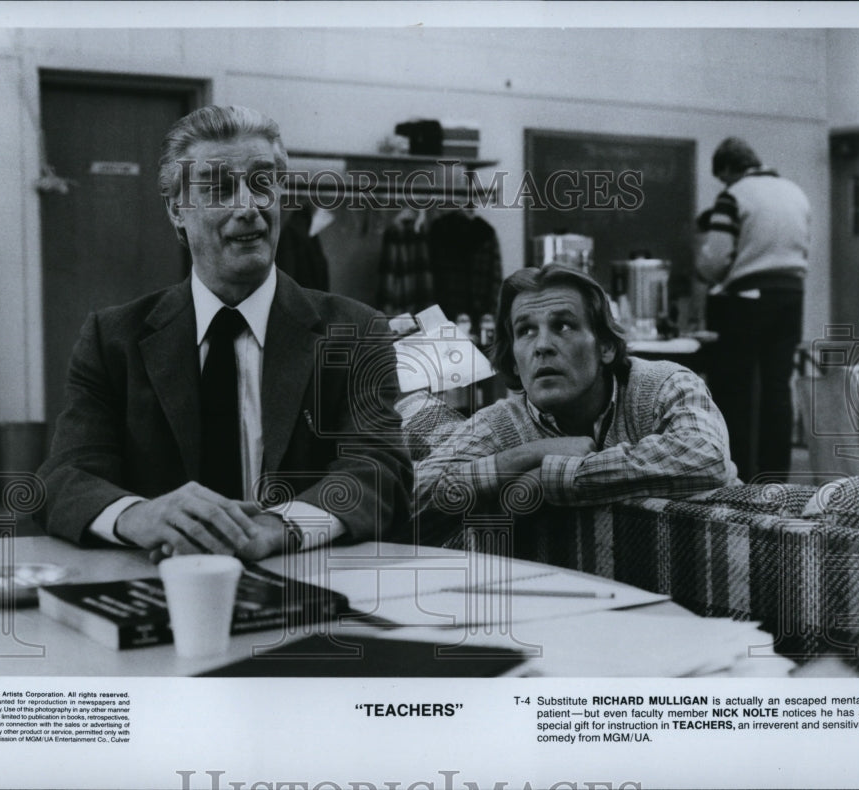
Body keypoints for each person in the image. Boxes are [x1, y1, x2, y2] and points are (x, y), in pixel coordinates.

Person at [38, 105, 411, 561]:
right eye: (219, 188)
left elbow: (379, 472)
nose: (247, 207)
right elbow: (65, 478)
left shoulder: (355, 332)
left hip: (305, 592)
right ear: (177, 209)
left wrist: (280, 526)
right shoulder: (112, 340)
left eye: (261, 182)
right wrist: (139, 516)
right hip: (163, 593)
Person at [412, 264, 737, 542]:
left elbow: (707, 457)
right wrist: (529, 455)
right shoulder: (500, 423)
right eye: (525, 331)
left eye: (563, 326)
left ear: (606, 346)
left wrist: (550, 478)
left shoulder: (663, 385)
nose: (542, 346)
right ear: (513, 362)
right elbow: (409, 500)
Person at [696, 137, 811, 482]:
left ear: (729, 168)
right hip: (792, 295)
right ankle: (776, 477)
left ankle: (739, 474)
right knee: (778, 386)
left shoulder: (734, 195)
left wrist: (703, 272)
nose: (725, 184)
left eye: (723, 177)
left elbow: (716, 259)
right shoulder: (795, 192)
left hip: (746, 301)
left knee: (736, 389)